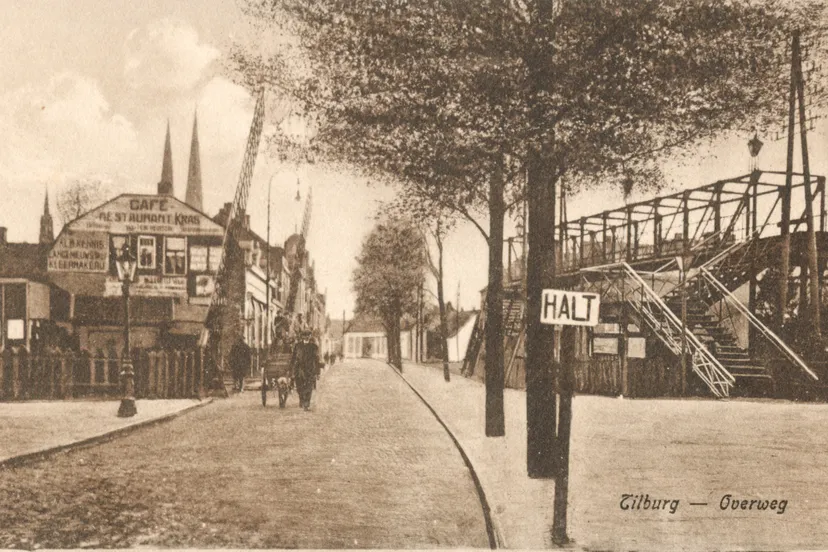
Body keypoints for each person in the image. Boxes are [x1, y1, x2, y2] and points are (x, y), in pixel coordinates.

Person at [291, 330, 319, 410]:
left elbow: (317, 359)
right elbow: (293, 357)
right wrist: (292, 367)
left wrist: (317, 372)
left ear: (310, 336)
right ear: (302, 336)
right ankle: (301, 399)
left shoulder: (314, 346)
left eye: (308, 335)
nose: (306, 337)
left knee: (309, 387)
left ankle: (306, 403)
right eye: (305, 335)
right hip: (299, 369)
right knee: (299, 387)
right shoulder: (297, 346)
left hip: (310, 369)